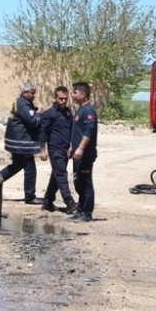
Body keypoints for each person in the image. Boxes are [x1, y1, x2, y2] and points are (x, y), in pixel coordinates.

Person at [0, 82, 43, 204]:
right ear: (25, 92)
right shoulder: (23, 103)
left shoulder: (22, 103)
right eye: (32, 93)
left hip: (17, 141)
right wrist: (39, 113)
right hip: (22, 142)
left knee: (17, 165)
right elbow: (32, 121)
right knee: (30, 168)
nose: (34, 95)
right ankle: (30, 196)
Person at [38, 86, 76, 214]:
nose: (63, 101)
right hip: (55, 149)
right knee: (61, 174)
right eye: (61, 99)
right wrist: (43, 150)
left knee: (56, 175)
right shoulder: (49, 114)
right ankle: (69, 202)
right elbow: (43, 133)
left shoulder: (68, 112)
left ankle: (48, 201)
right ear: (55, 98)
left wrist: (72, 146)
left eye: (65, 99)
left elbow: (71, 130)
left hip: (66, 150)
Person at [69, 81, 98, 222]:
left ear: (83, 94)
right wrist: (72, 147)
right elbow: (77, 132)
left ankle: (87, 212)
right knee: (78, 182)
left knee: (85, 183)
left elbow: (89, 131)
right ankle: (80, 210)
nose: (73, 95)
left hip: (85, 154)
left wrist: (80, 148)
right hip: (77, 154)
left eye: (75, 92)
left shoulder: (88, 111)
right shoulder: (80, 110)